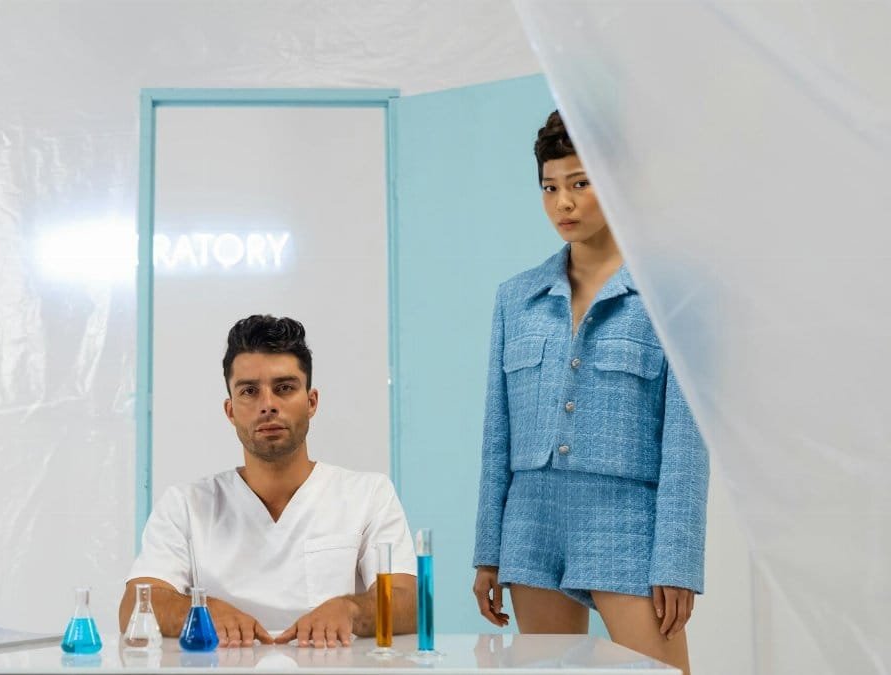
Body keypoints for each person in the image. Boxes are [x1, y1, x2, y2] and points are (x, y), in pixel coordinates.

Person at [471, 111, 708, 674]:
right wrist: (489, 551)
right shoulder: (516, 298)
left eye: (580, 183)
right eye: (550, 187)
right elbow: (496, 435)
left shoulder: (671, 295)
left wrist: (677, 560)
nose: (564, 203)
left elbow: (686, 440)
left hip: (625, 522)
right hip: (530, 524)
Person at [121, 315, 416, 648]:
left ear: (311, 402)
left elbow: (407, 603)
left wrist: (350, 610)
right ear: (230, 411)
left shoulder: (368, 495)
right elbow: (134, 606)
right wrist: (202, 612)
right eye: (249, 391)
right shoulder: (186, 504)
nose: (268, 405)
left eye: (284, 388)